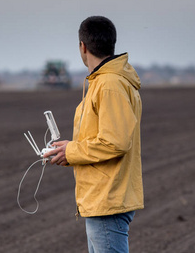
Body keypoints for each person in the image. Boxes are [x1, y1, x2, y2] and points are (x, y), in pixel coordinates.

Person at [43, 16, 144, 253]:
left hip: (107, 200)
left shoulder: (109, 85)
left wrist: (72, 150)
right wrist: (67, 151)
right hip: (101, 199)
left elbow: (115, 142)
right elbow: (102, 139)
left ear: (83, 46)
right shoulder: (104, 82)